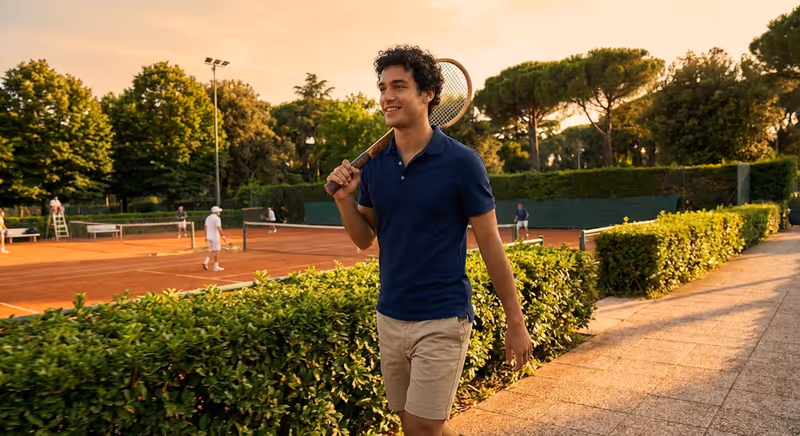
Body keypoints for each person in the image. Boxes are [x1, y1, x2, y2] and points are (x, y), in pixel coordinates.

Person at [326, 45, 532, 436]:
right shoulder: (376, 166)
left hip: (442, 316)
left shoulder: (462, 162)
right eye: (383, 87)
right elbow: (363, 239)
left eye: (399, 86)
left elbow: (491, 245)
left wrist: (515, 321)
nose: (387, 96)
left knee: (425, 425)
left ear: (427, 94)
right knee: (410, 424)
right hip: (390, 314)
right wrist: (344, 200)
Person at [203, 206, 227, 271]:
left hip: (209, 236)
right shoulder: (217, 218)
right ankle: (207, 262)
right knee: (216, 251)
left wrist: (205, 236)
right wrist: (223, 236)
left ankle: (215, 266)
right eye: (218, 211)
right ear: (216, 211)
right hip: (215, 237)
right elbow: (219, 228)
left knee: (214, 250)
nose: (219, 212)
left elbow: (205, 227)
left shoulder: (208, 218)